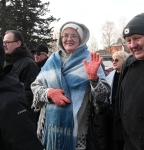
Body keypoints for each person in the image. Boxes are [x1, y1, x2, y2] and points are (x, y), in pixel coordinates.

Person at [31, 21, 111, 150]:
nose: (69, 39)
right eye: (65, 35)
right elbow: (35, 86)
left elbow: (103, 98)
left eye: (74, 36)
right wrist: (49, 93)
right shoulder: (52, 60)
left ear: (81, 38)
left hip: (78, 132)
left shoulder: (90, 60)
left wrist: (94, 79)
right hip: (50, 133)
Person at [116, 12, 144, 150]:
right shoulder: (129, 63)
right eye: (128, 41)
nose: (132, 45)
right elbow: (119, 104)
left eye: (137, 38)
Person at [3, 30, 39, 125]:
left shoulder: (29, 64)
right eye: (3, 42)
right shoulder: (6, 61)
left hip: (21, 117)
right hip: (6, 114)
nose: (4, 45)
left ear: (18, 43)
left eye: (7, 42)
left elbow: (30, 94)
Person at [106, 51, 129, 150]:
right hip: (113, 114)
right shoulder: (110, 76)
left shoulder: (129, 74)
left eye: (117, 60)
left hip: (125, 115)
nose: (113, 62)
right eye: (112, 60)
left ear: (124, 61)